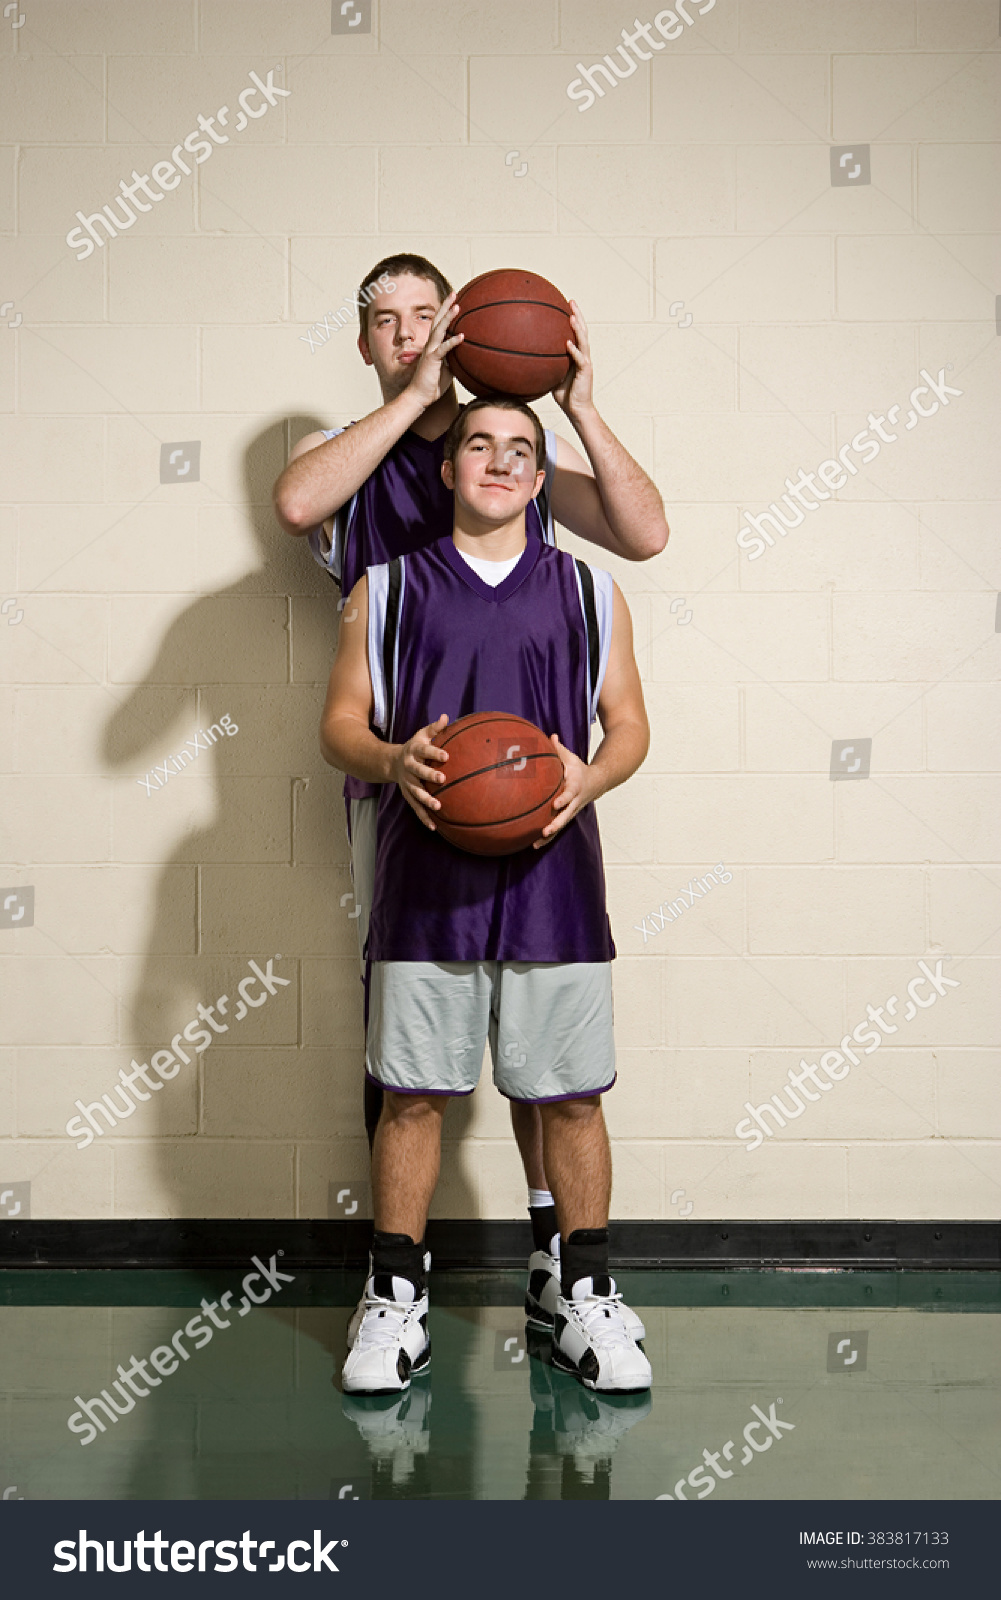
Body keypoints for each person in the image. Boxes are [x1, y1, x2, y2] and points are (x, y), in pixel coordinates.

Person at [273, 252, 668, 1316]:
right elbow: (296, 498)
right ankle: (394, 1282)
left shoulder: (504, 449)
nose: (405, 332)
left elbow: (643, 531)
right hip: (400, 781)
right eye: (385, 321)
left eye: (423, 316)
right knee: (409, 1033)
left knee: (547, 1030)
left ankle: (558, 1253)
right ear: (365, 343)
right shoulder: (361, 459)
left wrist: (571, 406)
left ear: (455, 323)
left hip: (525, 776)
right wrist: (411, 404)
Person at [319, 396, 652, 1396]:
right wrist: (389, 755)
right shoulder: (382, 588)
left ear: (541, 476)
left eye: (520, 450)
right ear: (447, 468)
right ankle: (393, 1300)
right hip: (425, 877)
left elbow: (627, 725)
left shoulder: (591, 592)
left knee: (572, 1094)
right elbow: (336, 723)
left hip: (556, 872)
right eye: (479, 446)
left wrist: (589, 777)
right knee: (414, 1093)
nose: (499, 463)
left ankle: (579, 1296)